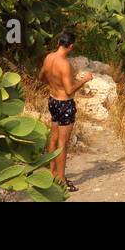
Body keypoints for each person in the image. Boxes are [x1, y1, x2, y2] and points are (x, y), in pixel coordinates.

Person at [40, 31, 94, 192]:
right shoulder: (65, 64)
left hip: (52, 100)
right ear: (71, 46)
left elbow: (41, 76)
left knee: (53, 139)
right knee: (63, 143)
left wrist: (52, 84)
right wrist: (84, 80)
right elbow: (70, 90)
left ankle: (52, 174)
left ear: (59, 42)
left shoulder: (49, 58)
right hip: (64, 104)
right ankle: (62, 180)